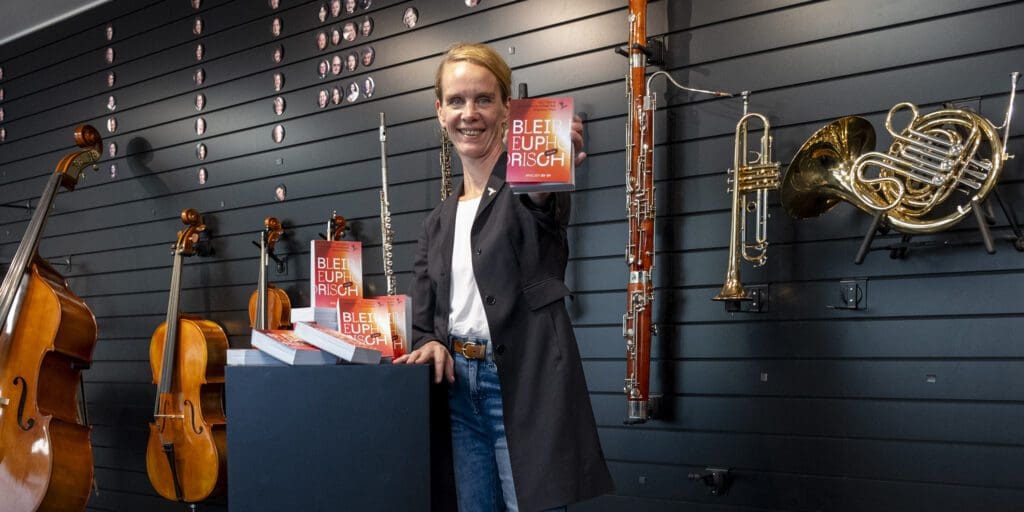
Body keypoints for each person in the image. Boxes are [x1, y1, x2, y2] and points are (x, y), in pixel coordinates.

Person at [393, 42, 612, 512]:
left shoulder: (529, 185)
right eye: (456, 101)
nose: (469, 113)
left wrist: (551, 165)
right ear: (439, 111)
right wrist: (428, 342)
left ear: (507, 108)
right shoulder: (437, 220)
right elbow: (425, 317)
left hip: (520, 385)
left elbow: (541, 204)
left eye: (483, 99)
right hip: (457, 392)